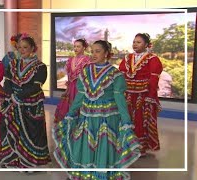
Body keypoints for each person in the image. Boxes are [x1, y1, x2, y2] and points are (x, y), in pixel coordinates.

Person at [53, 40, 141, 180]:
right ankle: (85, 174)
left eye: (98, 51)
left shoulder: (115, 74)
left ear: (106, 53)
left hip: (108, 119)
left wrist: (126, 121)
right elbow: (80, 96)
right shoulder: (85, 71)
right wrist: (71, 113)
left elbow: (120, 99)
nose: (93, 54)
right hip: (87, 117)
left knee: (104, 148)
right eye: (92, 51)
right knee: (85, 146)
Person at [0, 34, 51, 169]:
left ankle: (29, 162)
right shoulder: (12, 64)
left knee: (30, 132)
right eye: (20, 47)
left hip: (31, 104)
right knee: (11, 130)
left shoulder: (40, 66)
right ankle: (11, 160)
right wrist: (11, 95)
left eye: (25, 47)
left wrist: (19, 97)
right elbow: (7, 82)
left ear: (33, 48)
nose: (22, 50)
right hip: (12, 102)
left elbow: (35, 86)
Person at [119, 33, 163, 156]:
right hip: (127, 94)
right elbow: (121, 75)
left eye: (138, 42)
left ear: (146, 45)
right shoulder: (128, 58)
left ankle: (140, 147)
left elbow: (154, 79)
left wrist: (150, 95)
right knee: (126, 118)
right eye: (134, 42)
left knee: (141, 120)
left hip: (143, 95)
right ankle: (126, 144)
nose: (135, 44)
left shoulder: (152, 58)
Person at [54, 38, 91, 123]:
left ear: (83, 48)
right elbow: (69, 75)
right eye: (74, 46)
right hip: (71, 88)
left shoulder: (87, 60)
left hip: (81, 89)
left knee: (79, 109)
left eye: (78, 46)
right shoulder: (70, 60)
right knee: (67, 108)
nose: (75, 49)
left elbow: (89, 77)